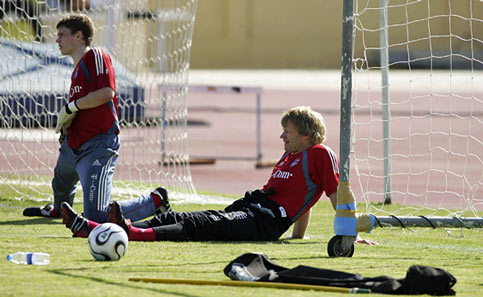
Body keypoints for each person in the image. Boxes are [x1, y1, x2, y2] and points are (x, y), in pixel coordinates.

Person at [60, 106, 377, 245]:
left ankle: (130, 233)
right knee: (188, 216)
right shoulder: (292, 155)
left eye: (288, 132)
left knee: (203, 225)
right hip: (252, 208)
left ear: (307, 134)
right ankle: (98, 228)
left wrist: (348, 231)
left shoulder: (319, 154)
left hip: (264, 221)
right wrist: (299, 237)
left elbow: (332, 192)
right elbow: (305, 199)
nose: (282, 137)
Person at [22, 13, 169, 223]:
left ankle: (156, 200)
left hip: (97, 146)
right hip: (73, 145)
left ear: (79, 36)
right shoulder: (76, 70)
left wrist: (71, 107)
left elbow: (106, 93)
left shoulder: (96, 55)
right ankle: (57, 210)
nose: (57, 40)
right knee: (61, 182)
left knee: (96, 217)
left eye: (62, 35)